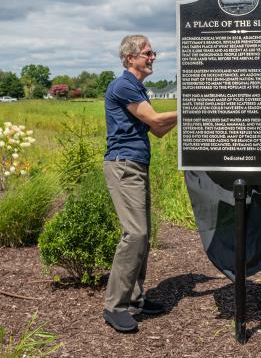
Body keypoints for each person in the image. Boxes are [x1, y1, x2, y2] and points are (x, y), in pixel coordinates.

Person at [102, 34, 177, 333]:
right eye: (148, 53)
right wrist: (191, 109)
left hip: (136, 164)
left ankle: (134, 300)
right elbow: (156, 120)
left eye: (152, 52)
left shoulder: (137, 87)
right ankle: (114, 306)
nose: (153, 57)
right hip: (123, 166)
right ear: (130, 58)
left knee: (142, 235)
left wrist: (183, 116)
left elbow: (157, 130)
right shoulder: (122, 85)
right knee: (135, 234)